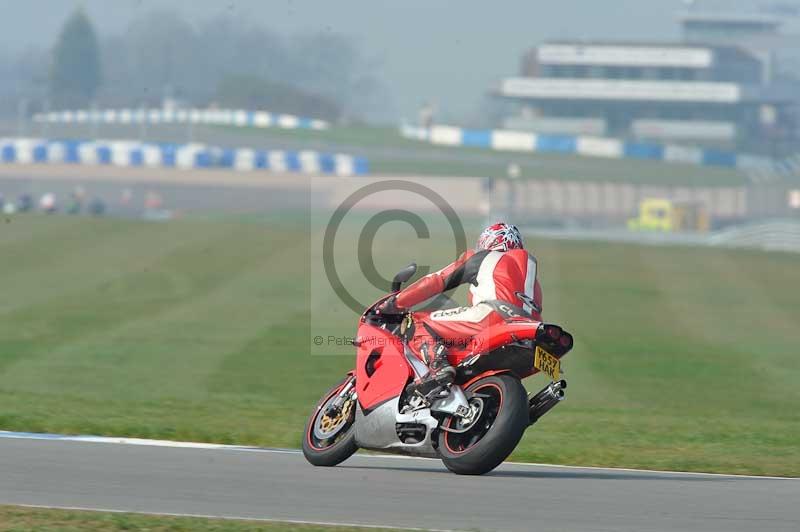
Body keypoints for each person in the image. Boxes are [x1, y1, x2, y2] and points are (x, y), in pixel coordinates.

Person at [379, 222, 543, 398]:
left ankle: (438, 369)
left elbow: (437, 280)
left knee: (418, 321)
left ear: (489, 242)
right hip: (532, 329)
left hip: (493, 315)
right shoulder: (532, 279)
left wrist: (395, 302)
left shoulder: (483, 257)